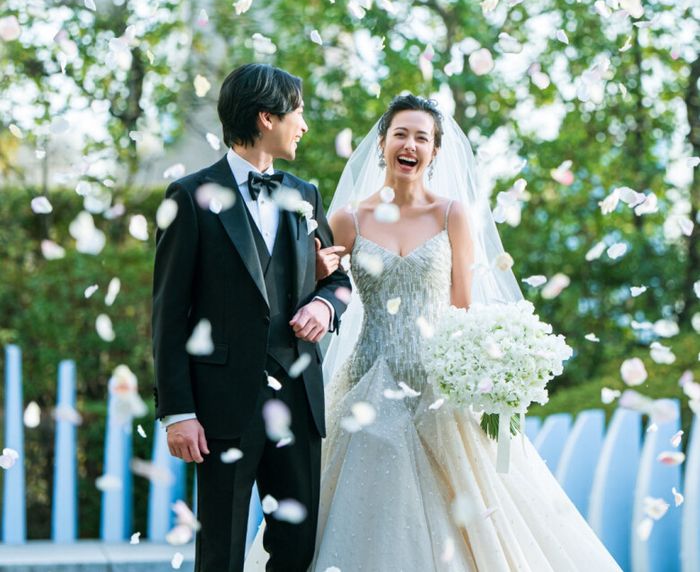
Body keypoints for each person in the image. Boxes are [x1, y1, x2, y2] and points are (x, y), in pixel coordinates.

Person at [309, 94, 622, 571]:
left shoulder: (451, 214)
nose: (410, 145)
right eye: (400, 134)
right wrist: (316, 272)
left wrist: (486, 369)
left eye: (422, 138)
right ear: (382, 143)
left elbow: (463, 305)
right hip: (368, 378)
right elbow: (326, 287)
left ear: (435, 150)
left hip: (438, 387)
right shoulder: (348, 219)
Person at [151, 63, 351, 572]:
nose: (304, 125)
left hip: (298, 398)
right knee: (220, 554)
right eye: (297, 112)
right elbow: (169, 312)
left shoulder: (304, 194)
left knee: (297, 550)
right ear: (267, 117)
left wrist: (324, 304)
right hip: (221, 407)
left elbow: (338, 279)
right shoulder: (190, 196)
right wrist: (178, 412)